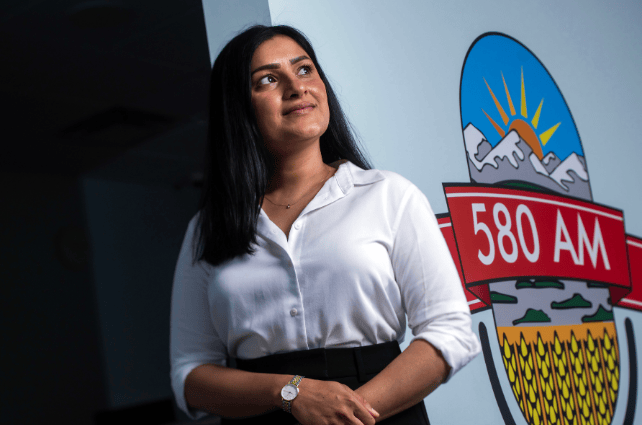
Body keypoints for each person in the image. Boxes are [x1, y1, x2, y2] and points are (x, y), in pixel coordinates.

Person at [170, 25, 480, 425]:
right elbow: (191, 375)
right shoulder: (207, 228)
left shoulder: (388, 195)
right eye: (268, 79)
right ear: (237, 106)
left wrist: (345, 414)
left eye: (304, 70)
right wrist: (291, 392)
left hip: (380, 410)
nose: (297, 88)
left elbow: (449, 331)